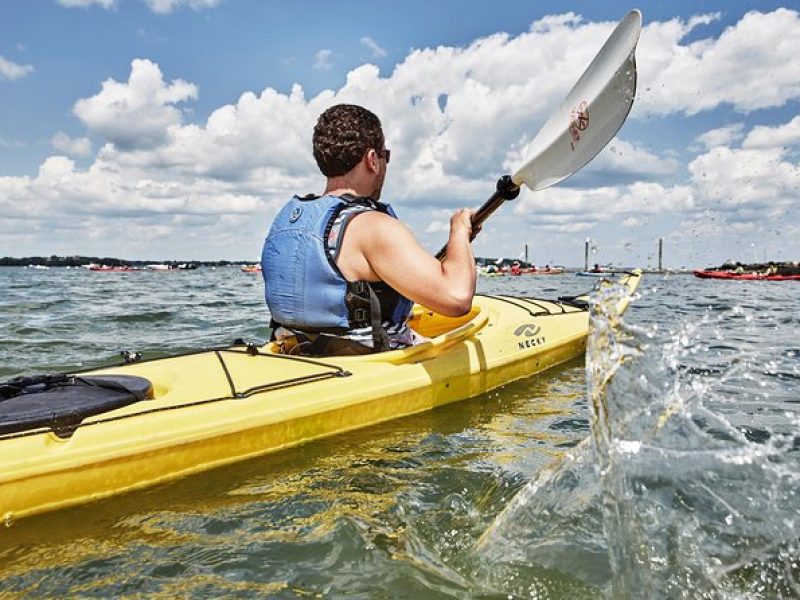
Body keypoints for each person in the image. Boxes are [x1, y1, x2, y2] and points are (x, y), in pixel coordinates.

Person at [261, 104, 478, 355]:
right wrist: (459, 231)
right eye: (386, 155)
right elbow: (457, 298)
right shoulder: (372, 226)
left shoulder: (291, 221)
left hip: (295, 352)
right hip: (364, 364)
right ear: (372, 159)